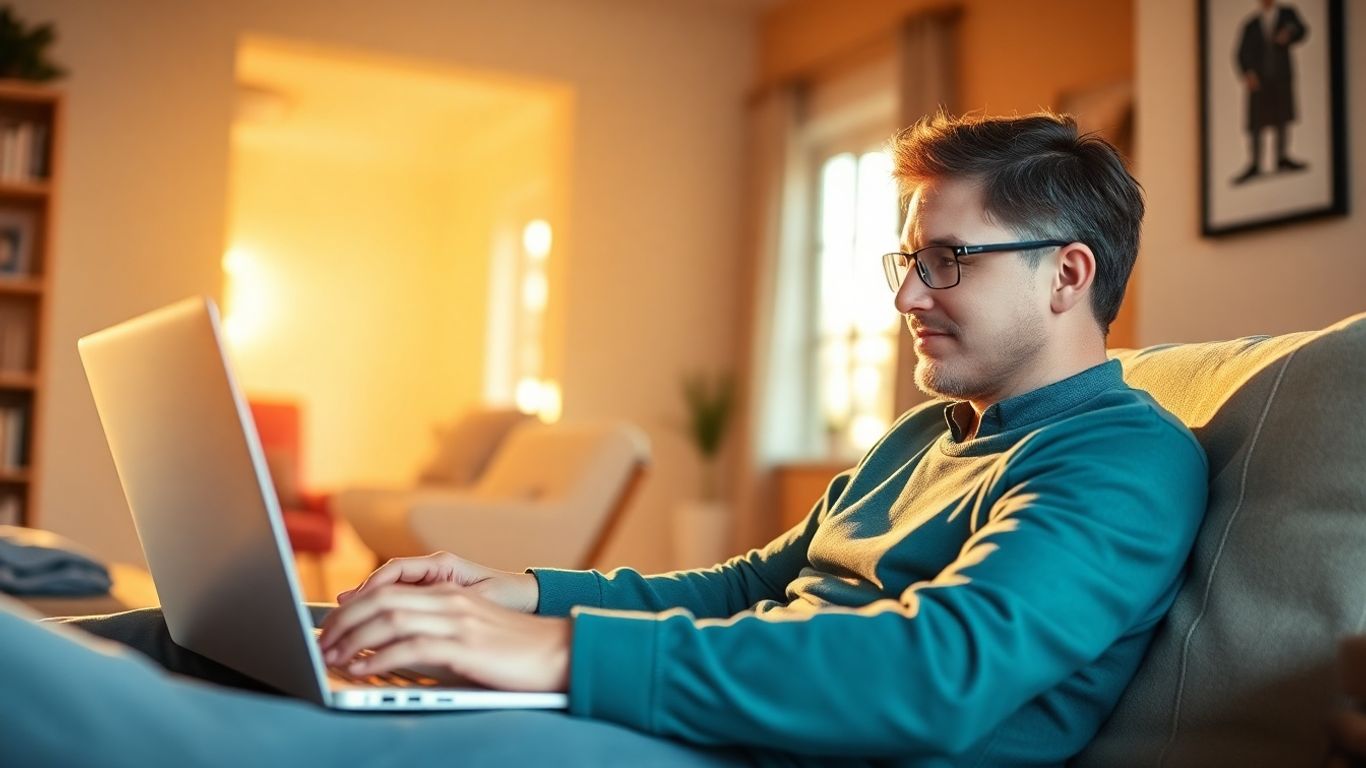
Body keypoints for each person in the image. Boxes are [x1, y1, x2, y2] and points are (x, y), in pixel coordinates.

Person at [0, 111, 1208, 767]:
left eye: (945, 261)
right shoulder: (924, 437)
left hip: (782, 753)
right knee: (216, 637)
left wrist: (557, 656)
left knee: (192, 732)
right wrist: (514, 591)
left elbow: (934, 677)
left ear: (1067, 276)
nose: (905, 297)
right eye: (907, 261)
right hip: (708, 710)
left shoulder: (1117, 458)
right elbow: (752, 583)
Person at [1233, 0, 1308, 184]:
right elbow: (1241, 52)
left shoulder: (1287, 14)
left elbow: (1302, 30)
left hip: (1280, 77)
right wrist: (1248, 73)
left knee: (1281, 118)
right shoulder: (1251, 24)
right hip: (1260, 81)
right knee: (1257, 122)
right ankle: (1255, 162)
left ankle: (1282, 157)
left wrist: (1288, 34)